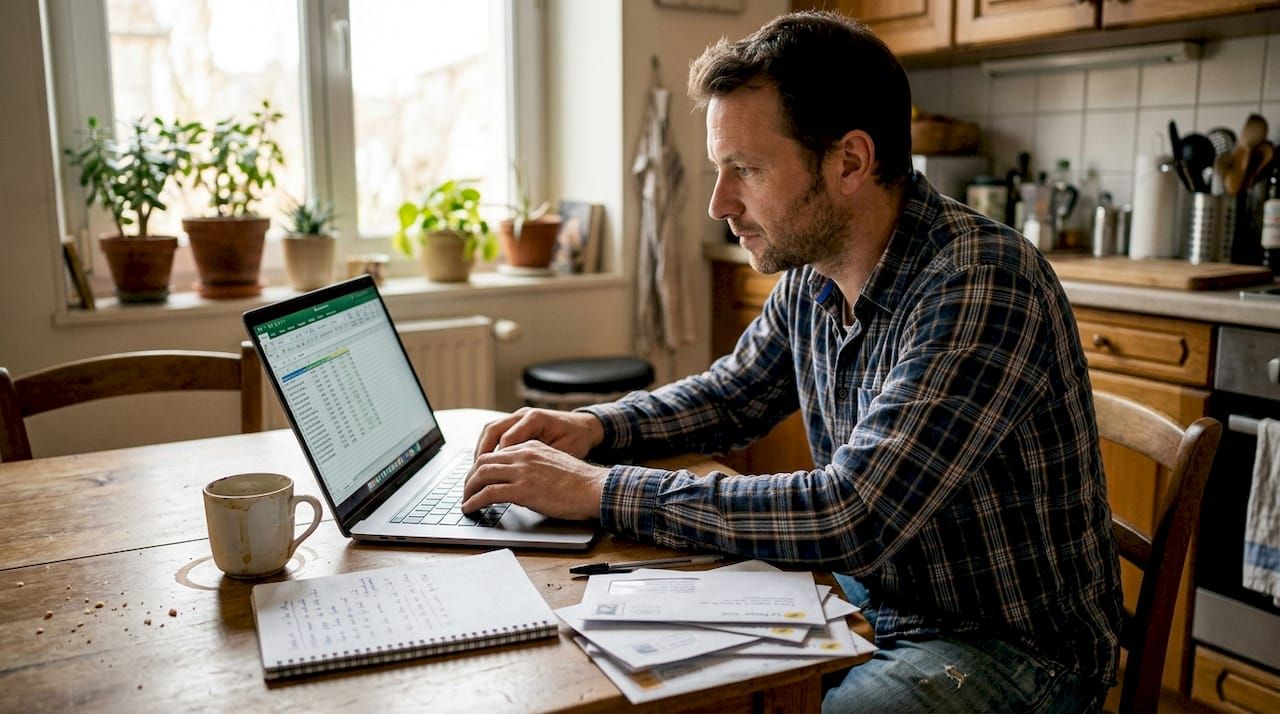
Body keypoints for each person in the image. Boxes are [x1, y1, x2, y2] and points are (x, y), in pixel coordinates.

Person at [462, 10, 1121, 712]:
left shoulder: (982, 281)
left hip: (1006, 646)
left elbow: (851, 513)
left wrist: (597, 490)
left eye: (744, 169)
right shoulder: (817, 272)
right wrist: (594, 428)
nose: (720, 203)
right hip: (874, 594)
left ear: (849, 162)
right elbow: (731, 395)